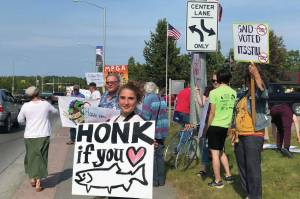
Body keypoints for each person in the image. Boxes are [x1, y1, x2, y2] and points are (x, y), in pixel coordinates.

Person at [231, 63, 269, 199]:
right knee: (242, 167)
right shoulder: (242, 95)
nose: (248, 81)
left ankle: (255, 196)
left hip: (253, 134)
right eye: (248, 78)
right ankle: (249, 194)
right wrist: (233, 133)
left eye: (250, 78)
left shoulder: (257, 93)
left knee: (253, 168)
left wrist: (256, 74)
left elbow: (263, 92)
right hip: (239, 136)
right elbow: (235, 114)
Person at [17, 86, 58, 192]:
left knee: (31, 157)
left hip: (30, 135)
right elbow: (55, 112)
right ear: (38, 93)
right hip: (43, 134)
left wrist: (27, 123)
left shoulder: (25, 106)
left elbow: (20, 119)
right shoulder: (45, 104)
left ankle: (32, 178)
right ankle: (38, 183)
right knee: (41, 157)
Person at [108, 82, 144, 199]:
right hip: (113, 179)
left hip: (129, 182)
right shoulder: (113, 120)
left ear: (137, 101)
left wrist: (151, 145)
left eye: (131, 98)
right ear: (118, 99)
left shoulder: (140, 123)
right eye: (122, 98)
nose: (126, 102)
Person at [205, 68, 236, 188]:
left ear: (219, 78)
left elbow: (212, 113)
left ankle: (218, 181)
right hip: (225, 126)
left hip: (215, 125)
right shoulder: (233, 92)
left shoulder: (214, 92)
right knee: (221, 150)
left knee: (214, 154)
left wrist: (207, 128)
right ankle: (228, 175)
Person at [140, 82, 168, 187]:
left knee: (152, 155)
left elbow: (145, 117)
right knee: (160, 155)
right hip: (163, 129)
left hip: (153, 130)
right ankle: (161, 180)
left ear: (146, 89)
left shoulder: (148, 99)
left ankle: (154, 181)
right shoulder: (161, 98)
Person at [195, 73, 220, 177]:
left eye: (217, 81)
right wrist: (197, 93)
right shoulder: (208, 89)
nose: (215, 82)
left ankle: (218, 172)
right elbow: (202, 104)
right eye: (213, 81)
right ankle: (203, 169)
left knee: (218, 147)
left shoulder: (222, 91)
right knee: (205, 146)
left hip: (218, 122)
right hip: (206, 121)